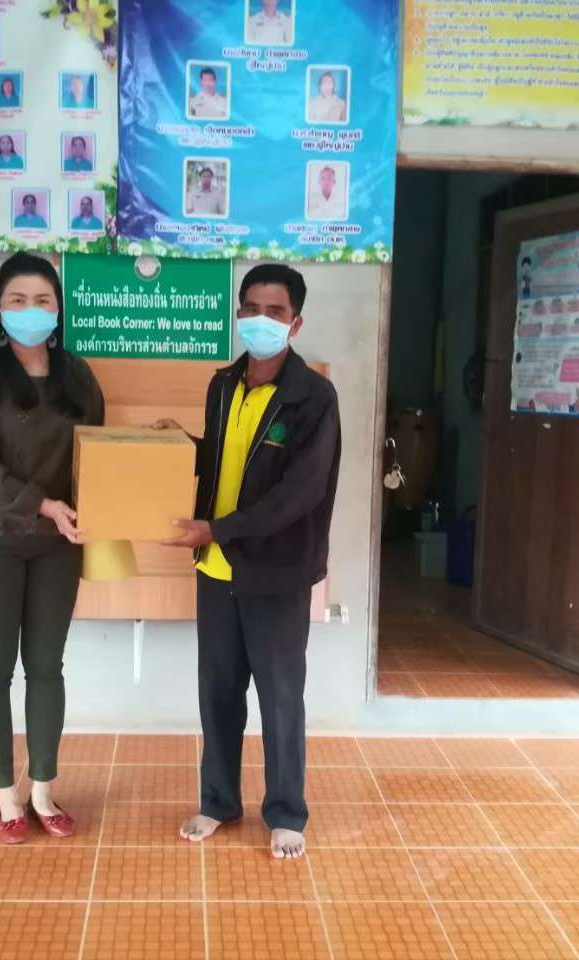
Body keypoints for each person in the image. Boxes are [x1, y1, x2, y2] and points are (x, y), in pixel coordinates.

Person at [162, 263, 340, 861]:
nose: (261, 320)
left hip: (276, 572)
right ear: (238, 314)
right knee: (217, 692)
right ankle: (218, 802)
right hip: (216, 568)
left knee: (280, 696)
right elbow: (223, 462)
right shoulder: (222, 385)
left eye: (275, 312)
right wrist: (178, 446)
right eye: (252, 309)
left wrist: (219, 528)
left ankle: (287, 813)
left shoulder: (313, 397)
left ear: (296, 323)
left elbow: (300, 492)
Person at [0, 252, 105, 845]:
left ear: (58, 309)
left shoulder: (77, 376)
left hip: (57, 543)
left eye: (42, 300)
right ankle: (4, 795)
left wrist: (102, 503)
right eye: (17, 300)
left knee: (46, 666)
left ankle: (42, 790)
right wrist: (43, 504)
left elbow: (97, 452)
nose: (30, 310)